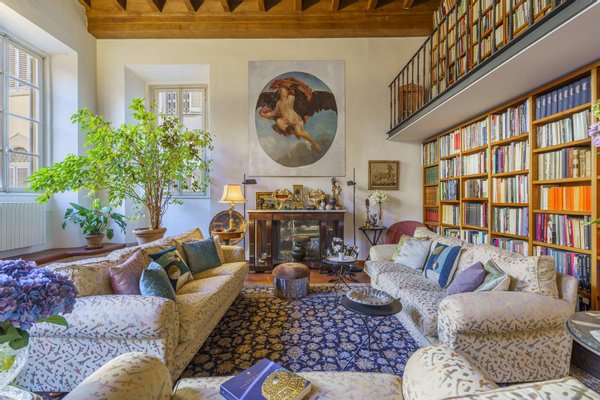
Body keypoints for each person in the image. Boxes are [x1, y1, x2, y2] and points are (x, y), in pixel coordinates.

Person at [259, 87, 322, 152]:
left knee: (299, 132)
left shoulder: (290, 98)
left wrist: (302, 90)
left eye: (284, 92)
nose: (283, 93)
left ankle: (314, 142)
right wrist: (264, 114)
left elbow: (295, 91)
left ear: (287, 93)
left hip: (295, 120)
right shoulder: (279, 103)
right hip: (286, 122)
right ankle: (290, 129)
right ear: (279, 93)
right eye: (281, 92)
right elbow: (274, 113)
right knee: (278, 121)